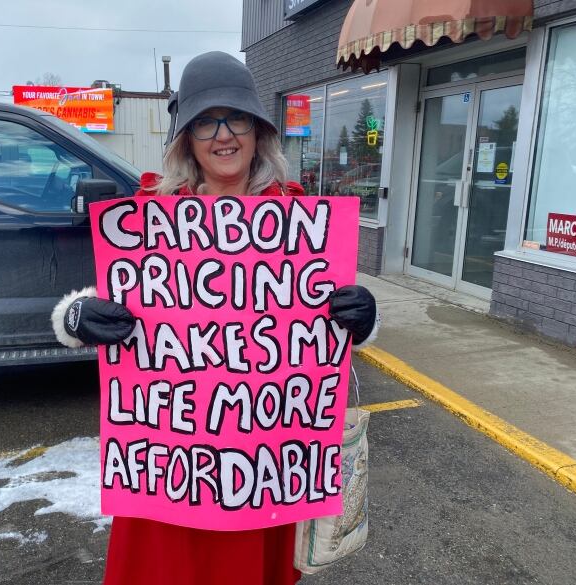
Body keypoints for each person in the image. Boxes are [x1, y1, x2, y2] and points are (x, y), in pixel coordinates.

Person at [51, 51, 379, 585]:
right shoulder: (151, 215)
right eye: (205, 121)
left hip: (262, 465)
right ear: (187, 137)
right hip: (173, 468)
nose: (223, 135)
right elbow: (120, 296)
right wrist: (76, 316)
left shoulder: (298, 219)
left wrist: (364, 317)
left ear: (258, 130)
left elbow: (321, 329)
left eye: (237, 119)